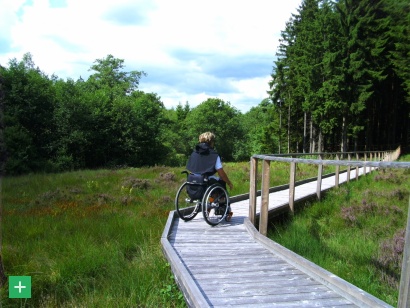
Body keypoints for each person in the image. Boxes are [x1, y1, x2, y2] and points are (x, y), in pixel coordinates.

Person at [186, 132, 234, 221]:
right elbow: (221, 173)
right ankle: (225, 209)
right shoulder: (214, 155)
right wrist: (229, 182)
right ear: (211, 142)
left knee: (213, 183)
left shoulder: (194, 152)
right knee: (221, 182)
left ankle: (209, 205)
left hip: (193, 179)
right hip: (205, 179)